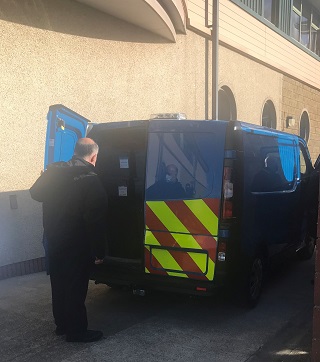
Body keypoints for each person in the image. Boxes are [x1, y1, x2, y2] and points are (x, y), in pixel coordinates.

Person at [30, 138, 108, 343]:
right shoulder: (91, 179)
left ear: (75, 152)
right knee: (75, 287)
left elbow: (35, 193)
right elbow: (95, 222)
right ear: (94, 157)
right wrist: (99, 251)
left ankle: (62, 326)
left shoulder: (54, 172)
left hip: (54, 240)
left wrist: (46, 176)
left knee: (59, 284)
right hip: (77, 245)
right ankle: (76, 332)